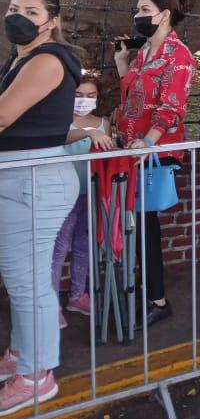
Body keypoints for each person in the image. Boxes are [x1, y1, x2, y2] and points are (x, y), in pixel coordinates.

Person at [0, 0, 82, 412]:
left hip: (32, 179)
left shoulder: (47, 59)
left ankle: (36, 376)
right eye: (14, 8)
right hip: (24, 176)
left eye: (31, 11)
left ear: (51, 21)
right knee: (24, 279)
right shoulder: (22, 58)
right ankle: (22, 356)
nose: (19, 16)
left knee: (28, 282)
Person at [115, 0, 196, 327]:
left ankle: (158, 300)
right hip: (131, 149)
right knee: (133, 224)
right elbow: (137, 96)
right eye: (137, 9)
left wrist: (147, 143)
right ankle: (144, 289)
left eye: (145, 9)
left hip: (152, 152)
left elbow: (171, 108)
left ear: (164, 14)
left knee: (146, 227)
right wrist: (123, 64)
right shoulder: (146, 51)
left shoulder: (179, 56)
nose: (138, 15)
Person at [52, 75, 116, 324]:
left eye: (90, 96)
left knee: (84, 244)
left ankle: (78, 295)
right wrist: (87, 132)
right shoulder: (58, 121)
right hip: (63, 193)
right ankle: (52, 303)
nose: (83, 100)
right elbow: (61, 139)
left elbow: (107, 153)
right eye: (78, 95)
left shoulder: (103, 122)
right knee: (59, 247)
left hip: (90, 190)